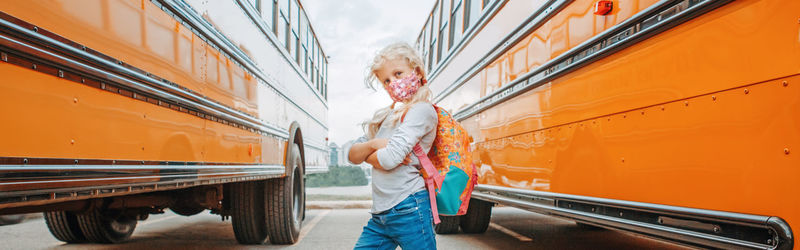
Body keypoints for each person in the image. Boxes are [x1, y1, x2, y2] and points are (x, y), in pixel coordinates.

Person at [342, 42, 438, 250]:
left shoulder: (422, 111)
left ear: (417, 71)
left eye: (398, 73)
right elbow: (352, 155)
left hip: (409, 208)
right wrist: (376, 144)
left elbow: (388, 159)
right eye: (386, 80)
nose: (393, 83)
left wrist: (369, 151)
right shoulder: (388, 115)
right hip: (381, 215)